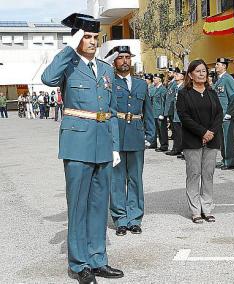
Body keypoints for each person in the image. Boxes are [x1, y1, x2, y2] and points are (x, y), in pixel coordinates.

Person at [41, 13, 123, 283]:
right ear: (77, 38)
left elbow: (110, 110)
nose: (91, 41)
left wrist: (115, 146)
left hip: (103, 141)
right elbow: (47, 78)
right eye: (86, 36)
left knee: (100, 204)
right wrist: (69, 46)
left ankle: (98, 259)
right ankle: (79, 264)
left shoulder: (107, 69)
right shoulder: (68, 65)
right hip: (77, 142)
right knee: (77, 205)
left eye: (94, 37)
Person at [104, 45, 155, 236]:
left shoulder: (141, 84)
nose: (124, 60)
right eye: (120, 57)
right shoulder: (108, 83)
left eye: (127, 57)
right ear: (115, 61)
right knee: (117, 180)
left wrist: (150, 135)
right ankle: (120, 219)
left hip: (136, 135)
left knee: (135, 179)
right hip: (116, 136)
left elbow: (148, 112)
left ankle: (135, 218)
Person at [176, 59, 223, 224]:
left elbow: (219, 114)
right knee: (194, 174)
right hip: (192, 140)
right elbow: (184, 116)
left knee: (208, 175)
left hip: (212, 139)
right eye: (198, 71)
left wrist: (211, 132)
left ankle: (207, 208)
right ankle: (195, 210)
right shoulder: (184, 94)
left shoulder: (212, 92)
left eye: (204, 71)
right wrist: (202, 132)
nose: (202, 74)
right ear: (190, 74)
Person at [213, 58, 234, 170]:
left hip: (226, 114)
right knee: (222, 139)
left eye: (218, 64)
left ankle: (229, 161)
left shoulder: (228, 79)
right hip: (219, 115)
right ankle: (224, 159)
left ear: (224, 66)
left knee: (228, 139)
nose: (216, 66)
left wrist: (229, 113)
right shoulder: (219, 80)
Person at [171, 69, 186, 158]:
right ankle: (179, 149)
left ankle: (186, 152)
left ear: (183, 77)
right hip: (177, 114)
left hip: (182, 115)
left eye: (178, 74)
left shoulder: (184, 87)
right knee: (178, 133)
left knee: (184, 134)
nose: (175, 75)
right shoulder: (177, 87)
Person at [152, 73, 168, 152]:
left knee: (162, 130)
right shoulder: (155, 88)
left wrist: (162, 113)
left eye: (155, 78)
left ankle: (164, 145)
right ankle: (161, 144)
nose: (153, 79)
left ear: (159, 79)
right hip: (155, 112)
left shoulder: (163, 89)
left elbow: (163, 102)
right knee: (158, 130)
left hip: (159, 113)